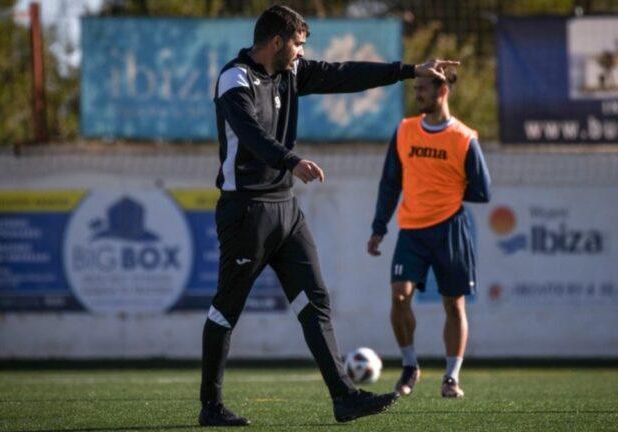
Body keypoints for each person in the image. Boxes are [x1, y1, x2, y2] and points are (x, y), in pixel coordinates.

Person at [200, 5, 460, 427]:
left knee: (314, 300)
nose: (302, 54)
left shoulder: (292, 72)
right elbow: (250, 133)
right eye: (298, 45)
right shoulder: (235, 77)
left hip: (286, 208)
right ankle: (210, 406)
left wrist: (411, 70)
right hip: (245, 210)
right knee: (227, 308)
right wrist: (291, 159)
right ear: (277, 41)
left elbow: (345, 74)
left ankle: (344, 397)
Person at [367, 67, 491, 399]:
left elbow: (483, 190)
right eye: (415, 88)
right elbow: (390, 182)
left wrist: (447, 194)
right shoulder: (405, 130)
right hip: (412, 231)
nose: (417, 94)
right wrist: (379, 227)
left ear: (442, 92)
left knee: (454, 305)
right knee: (399, 295)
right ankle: (410, 365)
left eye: (423, 89)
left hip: (450, 229)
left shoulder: (464, 138)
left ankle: (451, 377)